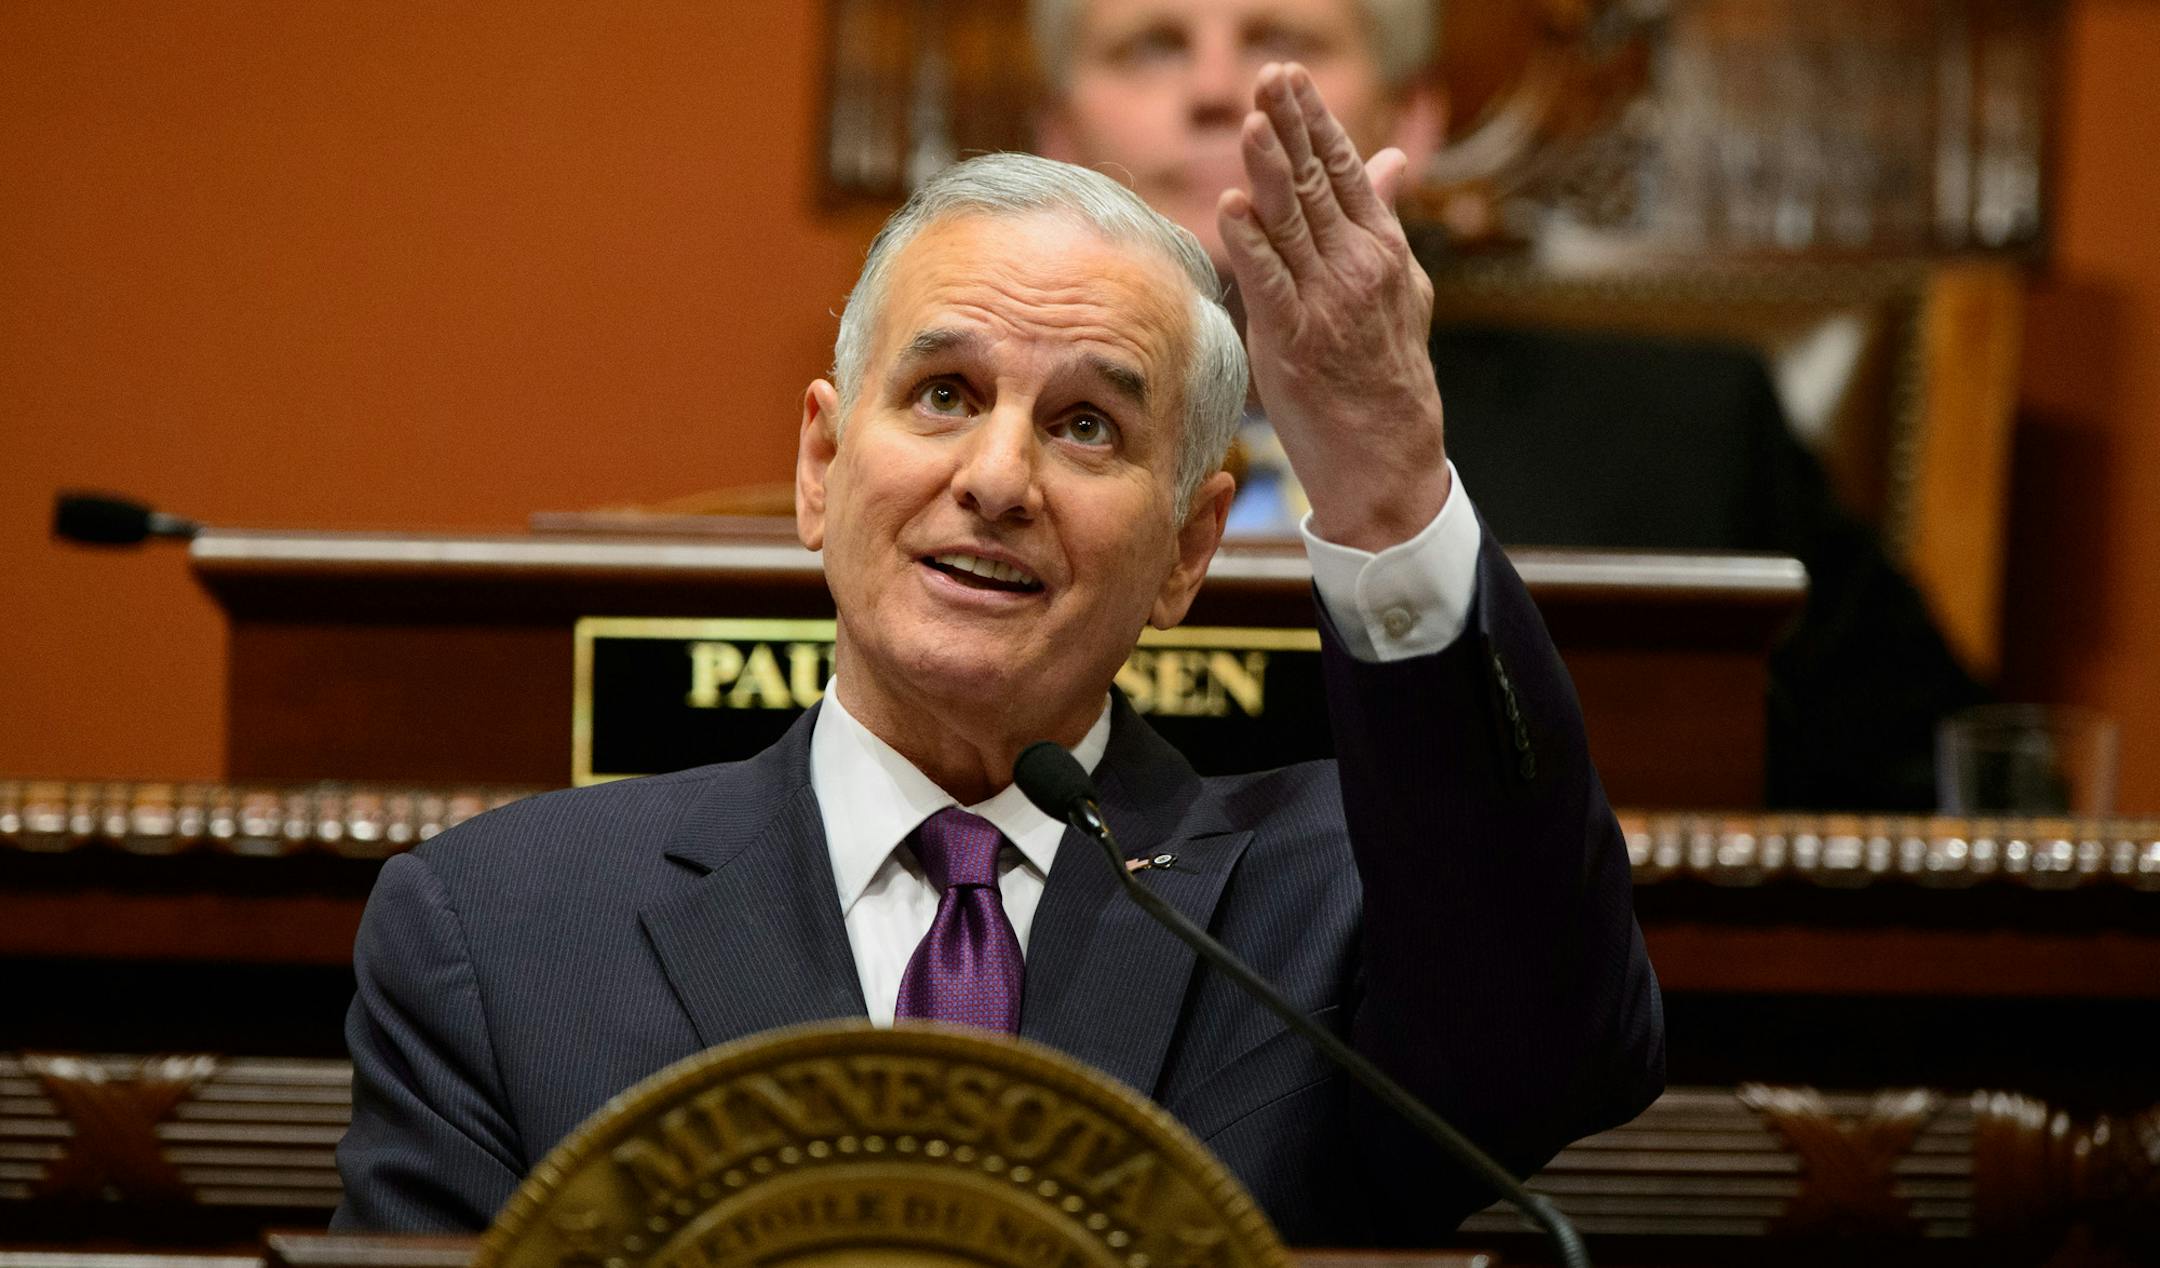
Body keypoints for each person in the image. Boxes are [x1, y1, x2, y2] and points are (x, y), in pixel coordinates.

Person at [333, 72, 1663, 1245]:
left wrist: (1381, 481)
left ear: (1190, 550)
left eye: (1088, 426)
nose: (999, 478)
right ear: (821, 464)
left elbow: (1554, 1050)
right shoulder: (503, 932)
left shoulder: (1329, 911)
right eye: (945, 395)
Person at [1031, 0, 1989, 809]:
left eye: (1286, 41)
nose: (1212, 91)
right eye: (1151, 47)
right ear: (1059, 139)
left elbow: (1950, 792)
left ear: (1413, 121)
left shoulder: (1682, 436)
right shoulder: (933, 451)